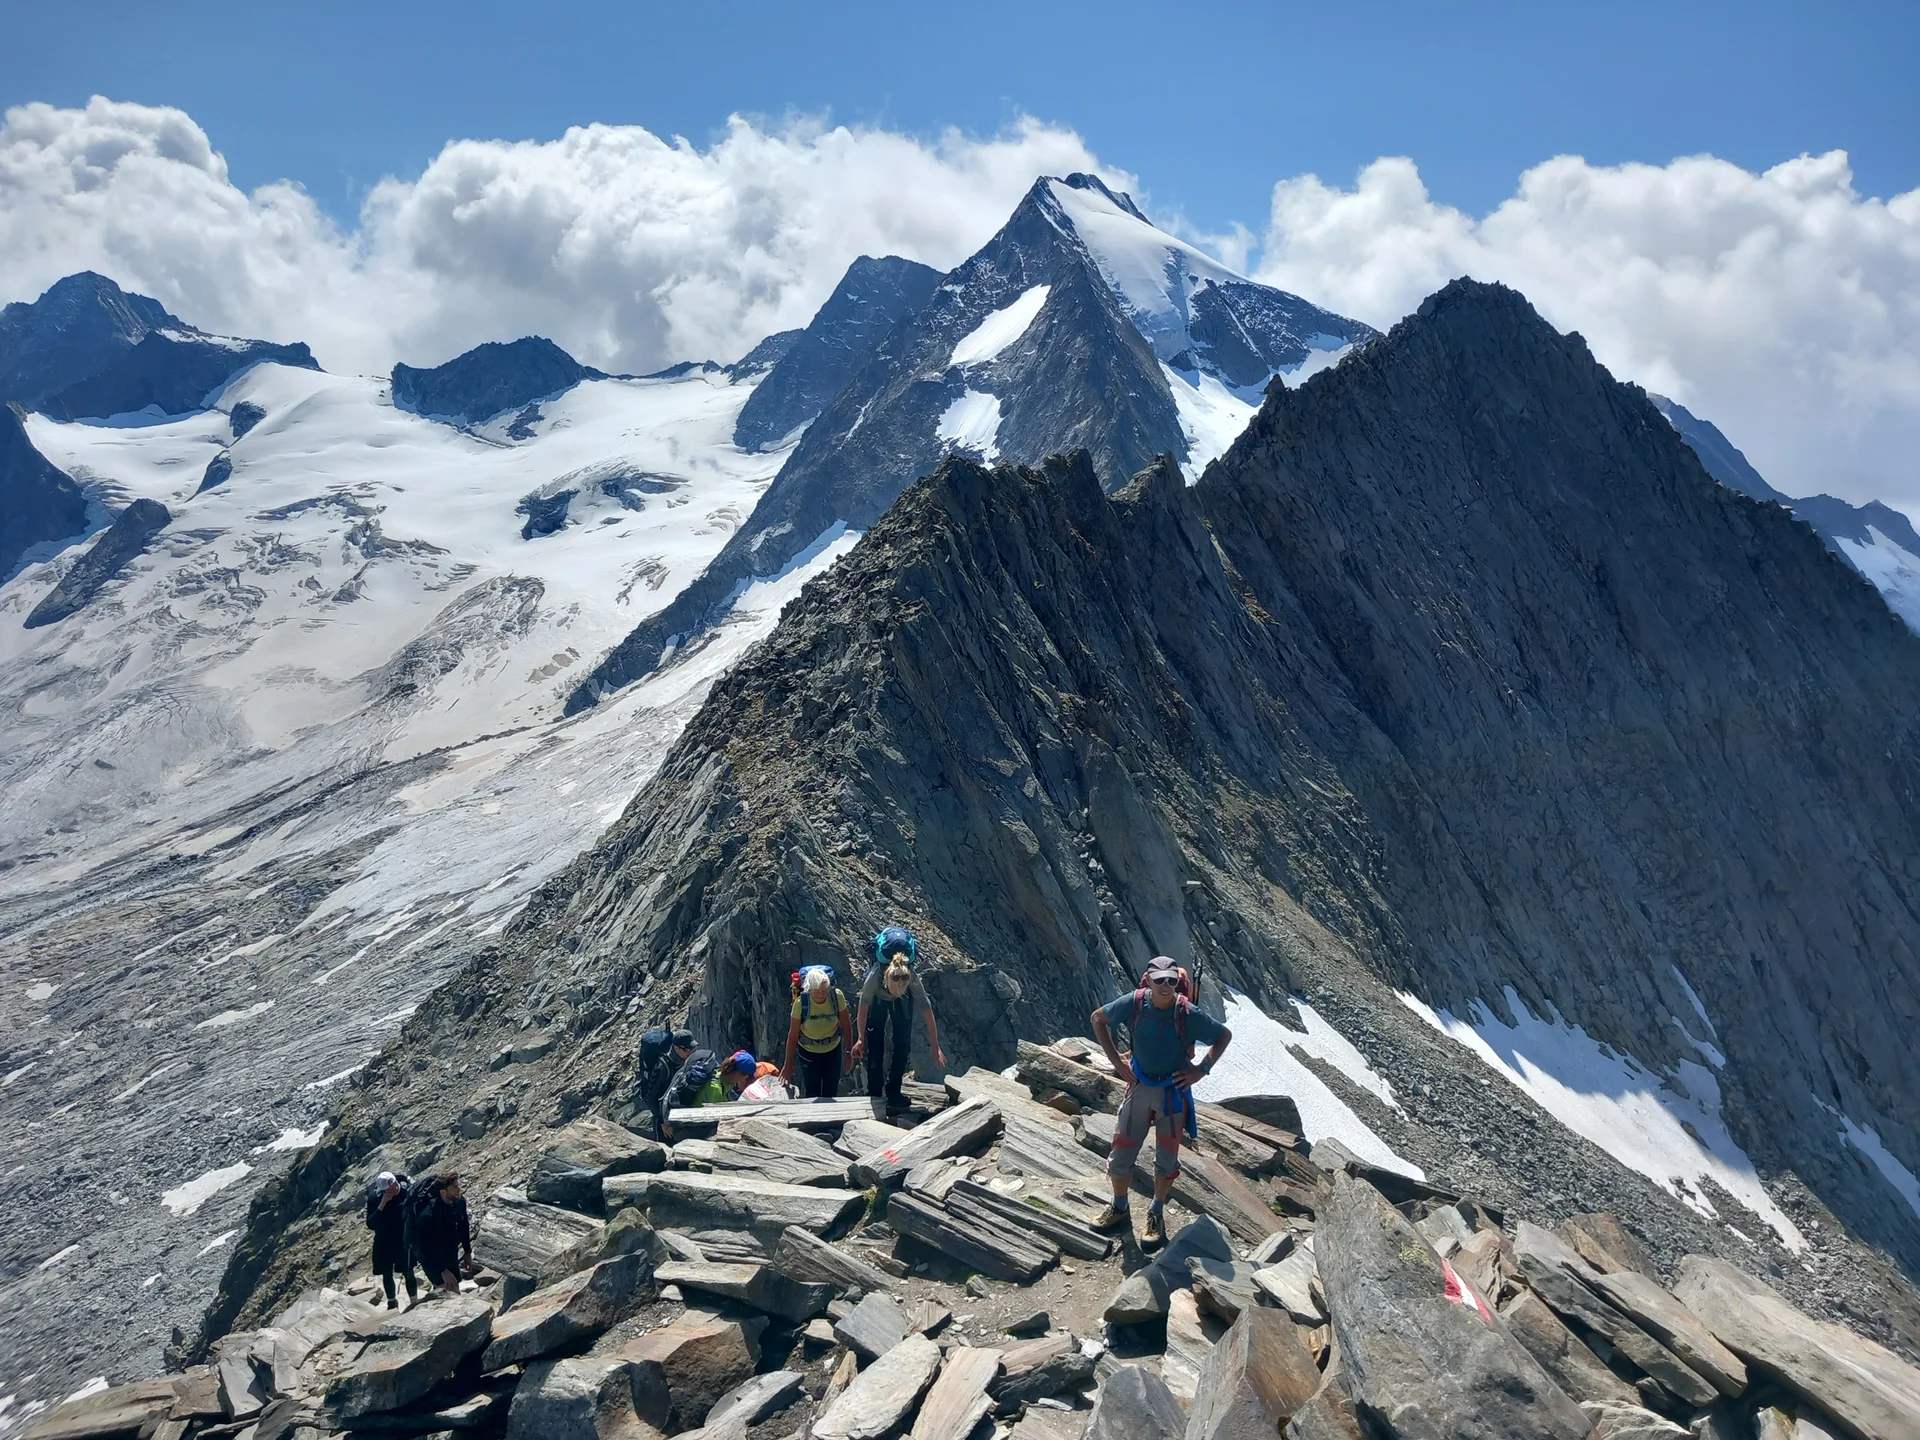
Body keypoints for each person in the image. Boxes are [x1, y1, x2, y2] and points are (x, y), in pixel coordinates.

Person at [1090, 956, 1232, 1246]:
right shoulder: (1135, 1002)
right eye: (1159, 981)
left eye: (1171, 980)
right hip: (1141, 1084)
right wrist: (1117, 1062)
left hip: (1171, 1090)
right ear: (1149, 981)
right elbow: (1098, 1019)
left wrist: (1200, 1071)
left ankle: (1155, 1212)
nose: (1166, 986)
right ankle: (1119, 1207)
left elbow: (1223, 1036)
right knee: (1122, 1150)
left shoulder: (1187, 1011)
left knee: (1166, 1159)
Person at [852, 926, 945, 1113]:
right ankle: (875, 1093)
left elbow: (927, 1010)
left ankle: (893, 1091)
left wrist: (935, 1046)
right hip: (878, 999)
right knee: (875, 1045)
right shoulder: (875, 976)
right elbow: (863, 1006)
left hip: (901, 1002)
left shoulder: (910, 978)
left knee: (903, 1046)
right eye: (897, 988)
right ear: (887, 980)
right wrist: (861, 1038)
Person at [781, 966, 855, 1098]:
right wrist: (788, 1064)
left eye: (824, 990)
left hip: (833, 1049)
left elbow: (846, 1025)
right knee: (812, 1091)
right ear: (809, 989)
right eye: (816, 991)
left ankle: (831, 1117)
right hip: (808, 1052)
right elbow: (793, 1036)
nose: (821, 994)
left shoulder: (837, 997)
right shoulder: (801, 1003)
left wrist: (848, 1053)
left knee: (831, 1090)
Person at [405, 1170, 472, 1292]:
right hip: (428, 1253)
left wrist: (467, 1251)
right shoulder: (428, 1214)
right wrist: (442, 1270)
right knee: (445, 1288)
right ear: (443, 1191)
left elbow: (463, 1225)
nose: (459, 1189)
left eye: (458, 1185)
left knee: (454, 1284)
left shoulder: (459, 1202)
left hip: (449, 1247)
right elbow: (425, 1246)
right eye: (454, 1187)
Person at [364, 1170, 418, 1309]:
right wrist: (382, 1204)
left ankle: (414, 1302)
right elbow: (371, 1223)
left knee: (408, 1271)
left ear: (395, 1181)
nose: (392, 1190)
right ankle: (392, 1303)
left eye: (393, 1186)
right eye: (386, 1190)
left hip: (403, 1240)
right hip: (383, 1241)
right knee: (386, 1273)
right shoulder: (375, 1198)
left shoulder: (407, 1193)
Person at [637, 1027, 696, 1139]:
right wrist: (662, 1122)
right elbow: (650, 1097)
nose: (691, 1052)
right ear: (676, 1048)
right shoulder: (663, 1067)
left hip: (680, 1111)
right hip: (664, 1119)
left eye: (693, 1049)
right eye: (687, 1050)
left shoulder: (687, 1062)